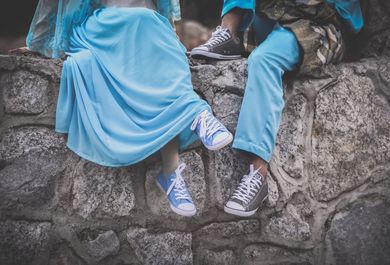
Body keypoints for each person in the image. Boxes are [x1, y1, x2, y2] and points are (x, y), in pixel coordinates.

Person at [11, 0, 233, 217]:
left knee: (165, 55)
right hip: (104, 28)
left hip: (147, 27)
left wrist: (167, 34)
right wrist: (40, 42)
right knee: (148, 26)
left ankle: (174, 164)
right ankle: (196, 117)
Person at [192, 0, 364, 217]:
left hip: (317, 26)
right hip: (272, 16)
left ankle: (258, 174)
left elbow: (346, 16)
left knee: (264, 60)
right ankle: (228, 32)